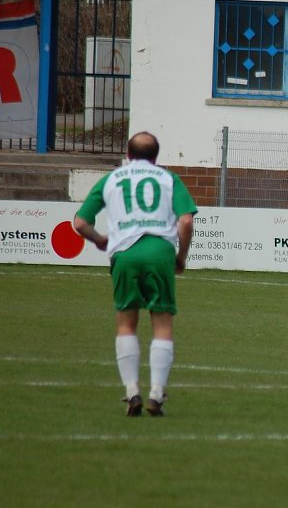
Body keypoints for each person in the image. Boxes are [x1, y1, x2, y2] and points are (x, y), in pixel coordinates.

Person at [73, 131, 197, 417]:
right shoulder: (168, 179)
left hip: (124, 254)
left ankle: (132, 391)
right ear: (156, 156)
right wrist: (181, 256)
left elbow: (79, 223)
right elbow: (186, 220)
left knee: (127, 323)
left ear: (128, 155)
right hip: (159, 252)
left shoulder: (112, 179)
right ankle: (156, 393)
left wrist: (100, 240)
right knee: (162, 323)